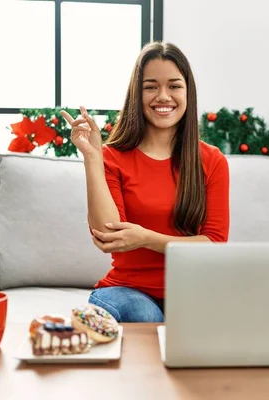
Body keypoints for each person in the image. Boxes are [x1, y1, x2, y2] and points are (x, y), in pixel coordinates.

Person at [61, 42, 229, 323]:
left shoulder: (212, 161)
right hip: (124, 292)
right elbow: (107, 236)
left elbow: (213, 244)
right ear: (136, 95)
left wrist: (146, 239)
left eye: (174, 86)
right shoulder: (113, 157)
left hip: (191, 291)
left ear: (188, 92)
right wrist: (93, 156)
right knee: (145, 314)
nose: (163, 96)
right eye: (151, 87)